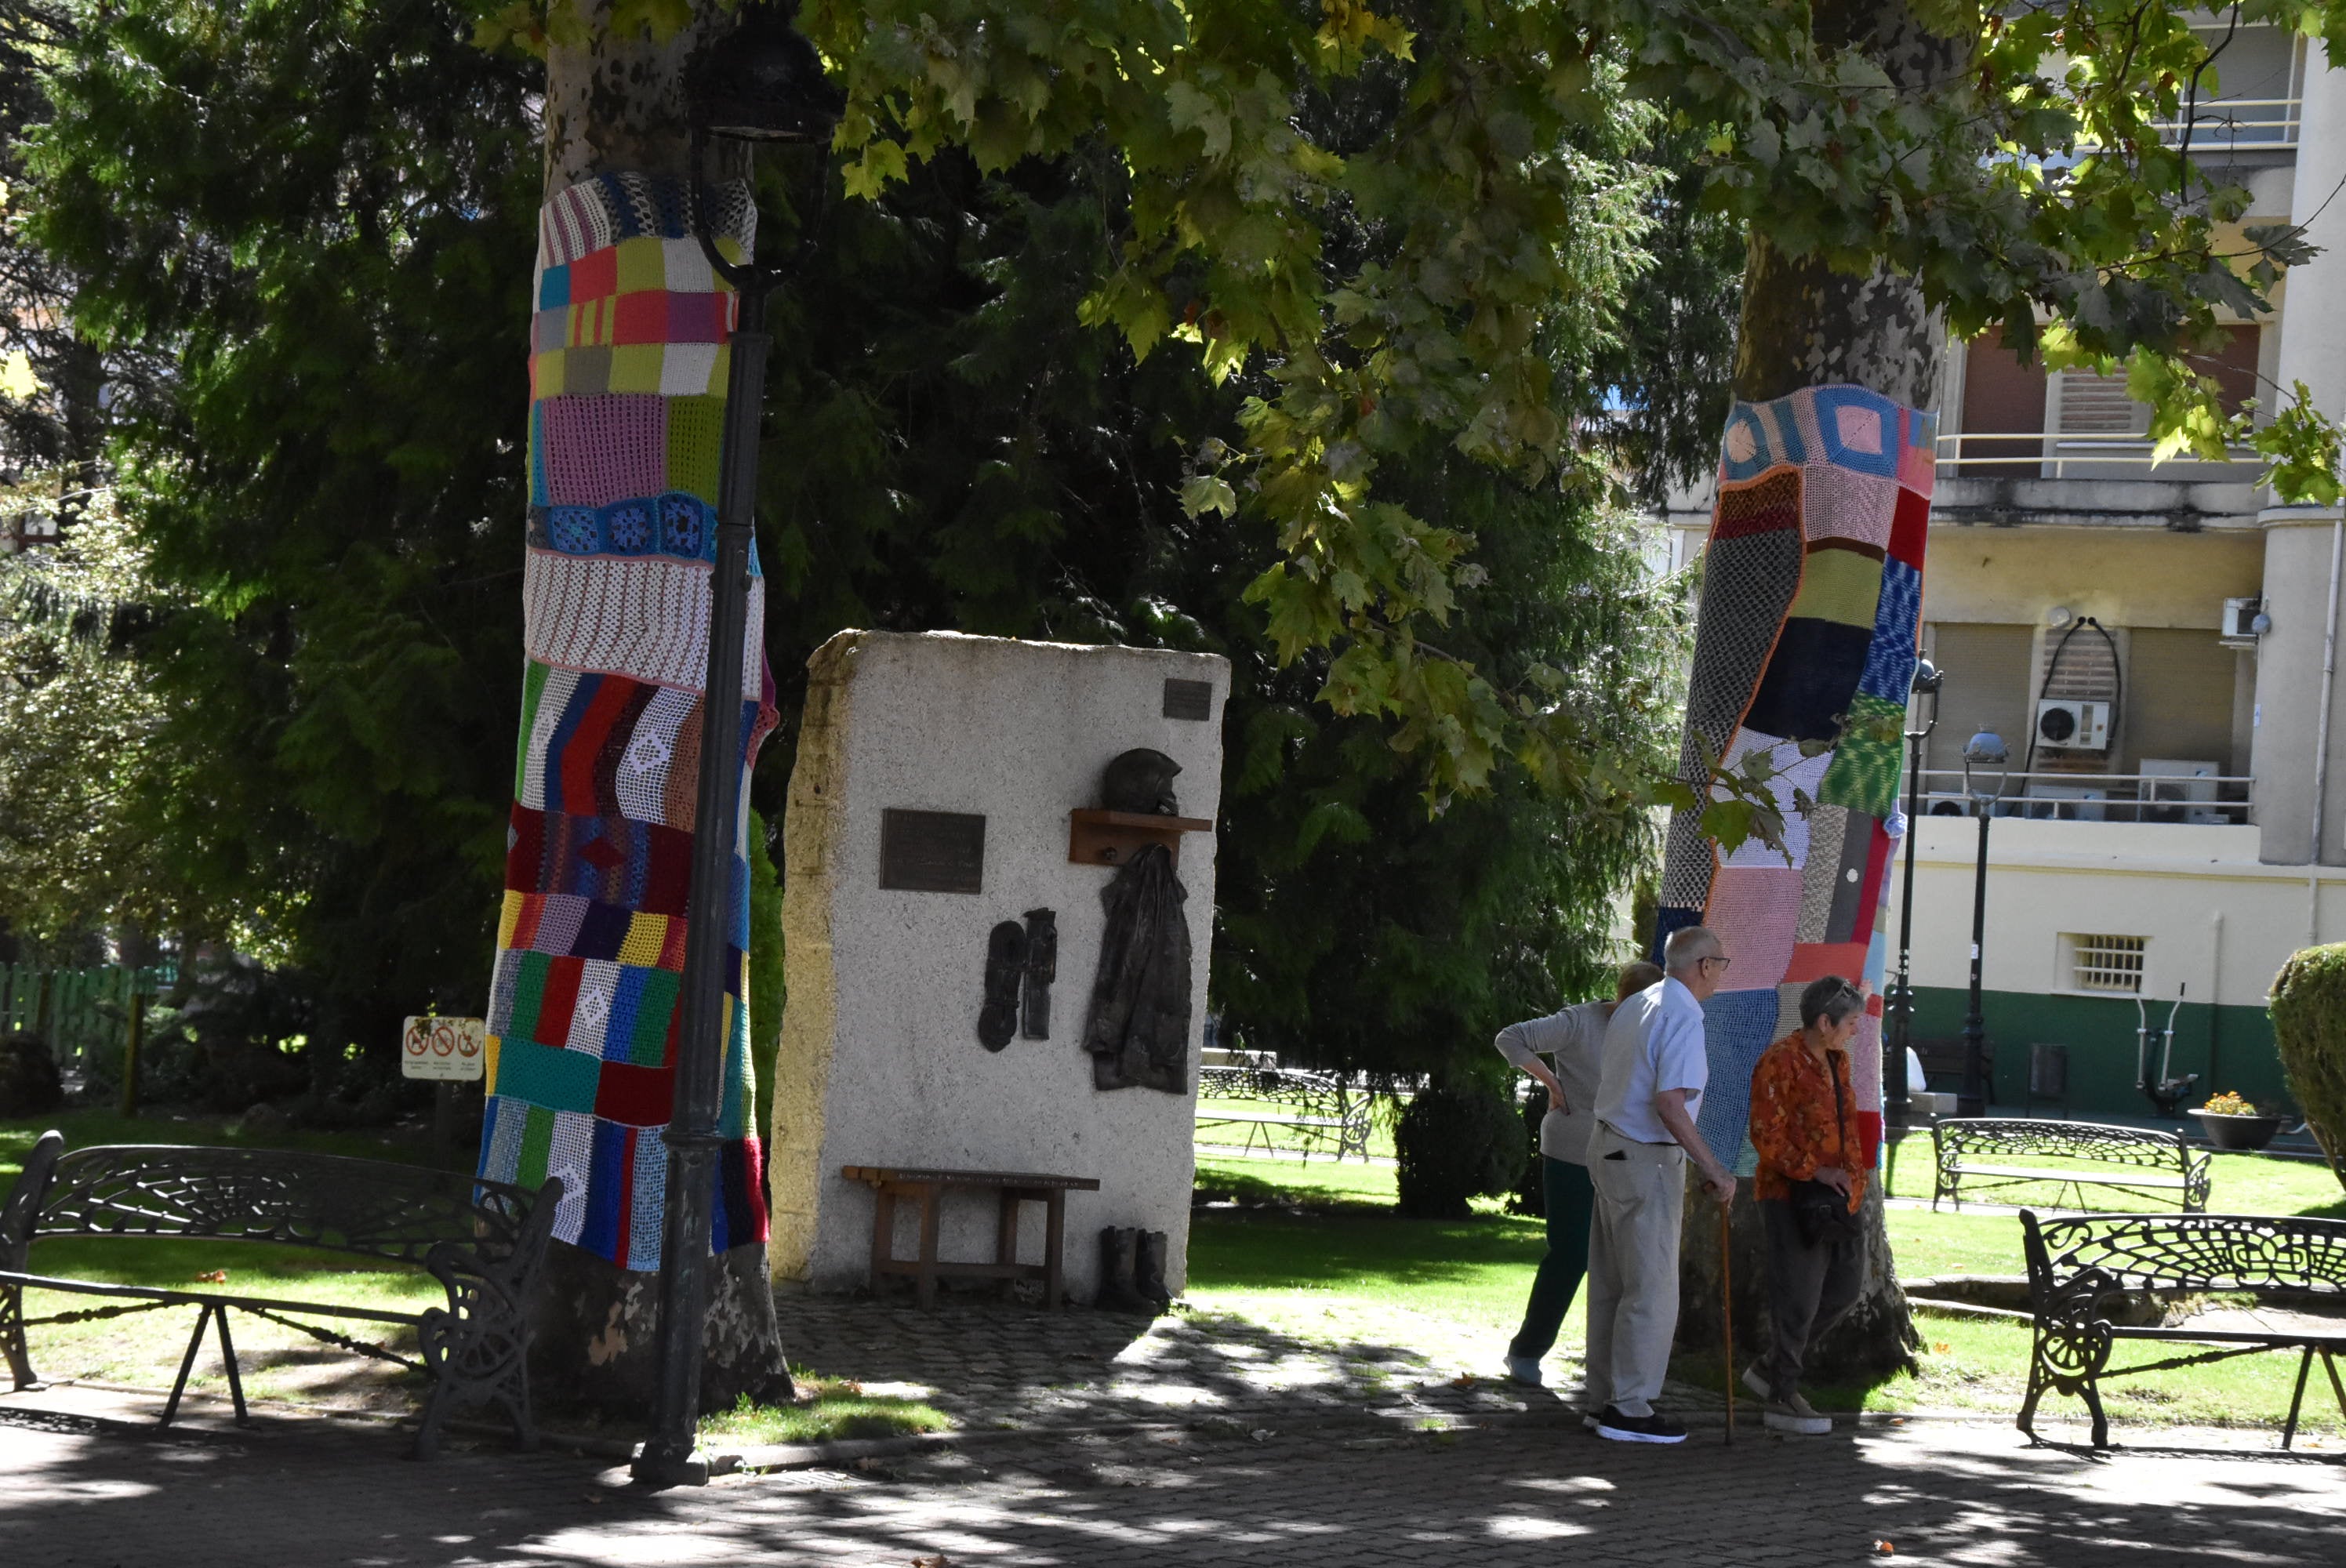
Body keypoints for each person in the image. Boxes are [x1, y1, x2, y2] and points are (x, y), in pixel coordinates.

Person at [1582, 926, 1738, 1445]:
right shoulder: (1681, 1014)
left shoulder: (1638, 1002)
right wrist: (1713, 1168)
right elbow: (1670, 1104)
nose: (1722, 972)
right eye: (1721, 963)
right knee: (1650, 1288)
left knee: (1612, 1284)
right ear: (1704, 966)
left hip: (1609, 1144)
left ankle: (1604, 1400)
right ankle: (1628, 1408)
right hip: (1644, 1157)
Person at [1492, 959, 1667, 1388]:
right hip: (1572, 1149)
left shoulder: (1657, 1029)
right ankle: (1527, 1350)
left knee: (1627, 1263)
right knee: (1571, 1253)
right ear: (1620, 998)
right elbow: (1510, 1038)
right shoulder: (1579, 1022)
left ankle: (1614, 1367)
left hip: (1625, 1155)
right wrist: (1551, 1082)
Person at [1745, 974, 1872, 1436]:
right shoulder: (1779, 1061)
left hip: (1842, 1197)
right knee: (1798, 1298)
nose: (1855, 1031)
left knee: (1844, 1290)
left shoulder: (1837, 1060)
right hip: (1793, 1197)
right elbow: (1766, 1136)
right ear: (1824, 1022)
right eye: (1850, 1022)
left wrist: (1849, 1181)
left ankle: (1769, 1369)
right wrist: (1816, 1171)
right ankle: (1782, 1394)